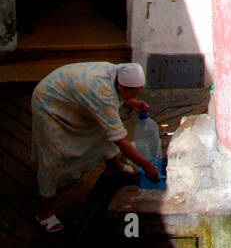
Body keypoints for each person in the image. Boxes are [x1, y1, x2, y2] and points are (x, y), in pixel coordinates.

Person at [31, 59, 160, 232]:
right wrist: (147, 165)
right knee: (55, 155)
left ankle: (115, 167)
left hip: (73, 97)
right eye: (132, 93)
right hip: (50, 101)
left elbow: (114, 98)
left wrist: (130, 102)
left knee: (102, 130)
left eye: (138, 92)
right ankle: (44, 211)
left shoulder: (115, 74)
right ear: (121, 87)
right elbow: (120, 140)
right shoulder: (101, 93)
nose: (135, 96)